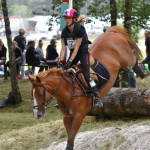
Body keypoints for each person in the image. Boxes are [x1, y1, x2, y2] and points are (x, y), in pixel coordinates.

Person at [60, 8, 103, 108]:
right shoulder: (64, 32)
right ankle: (64, 98)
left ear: (74, 19)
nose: (66, 20)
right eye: (65, 18)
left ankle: (97, 97)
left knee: (87, 75)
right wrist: (61, 61)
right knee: (63, 72)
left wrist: (70, 61)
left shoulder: (80, 29)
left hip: (83, 53)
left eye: (69, 18)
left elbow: (77, 48)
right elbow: (62, 48)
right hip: (73, 53)